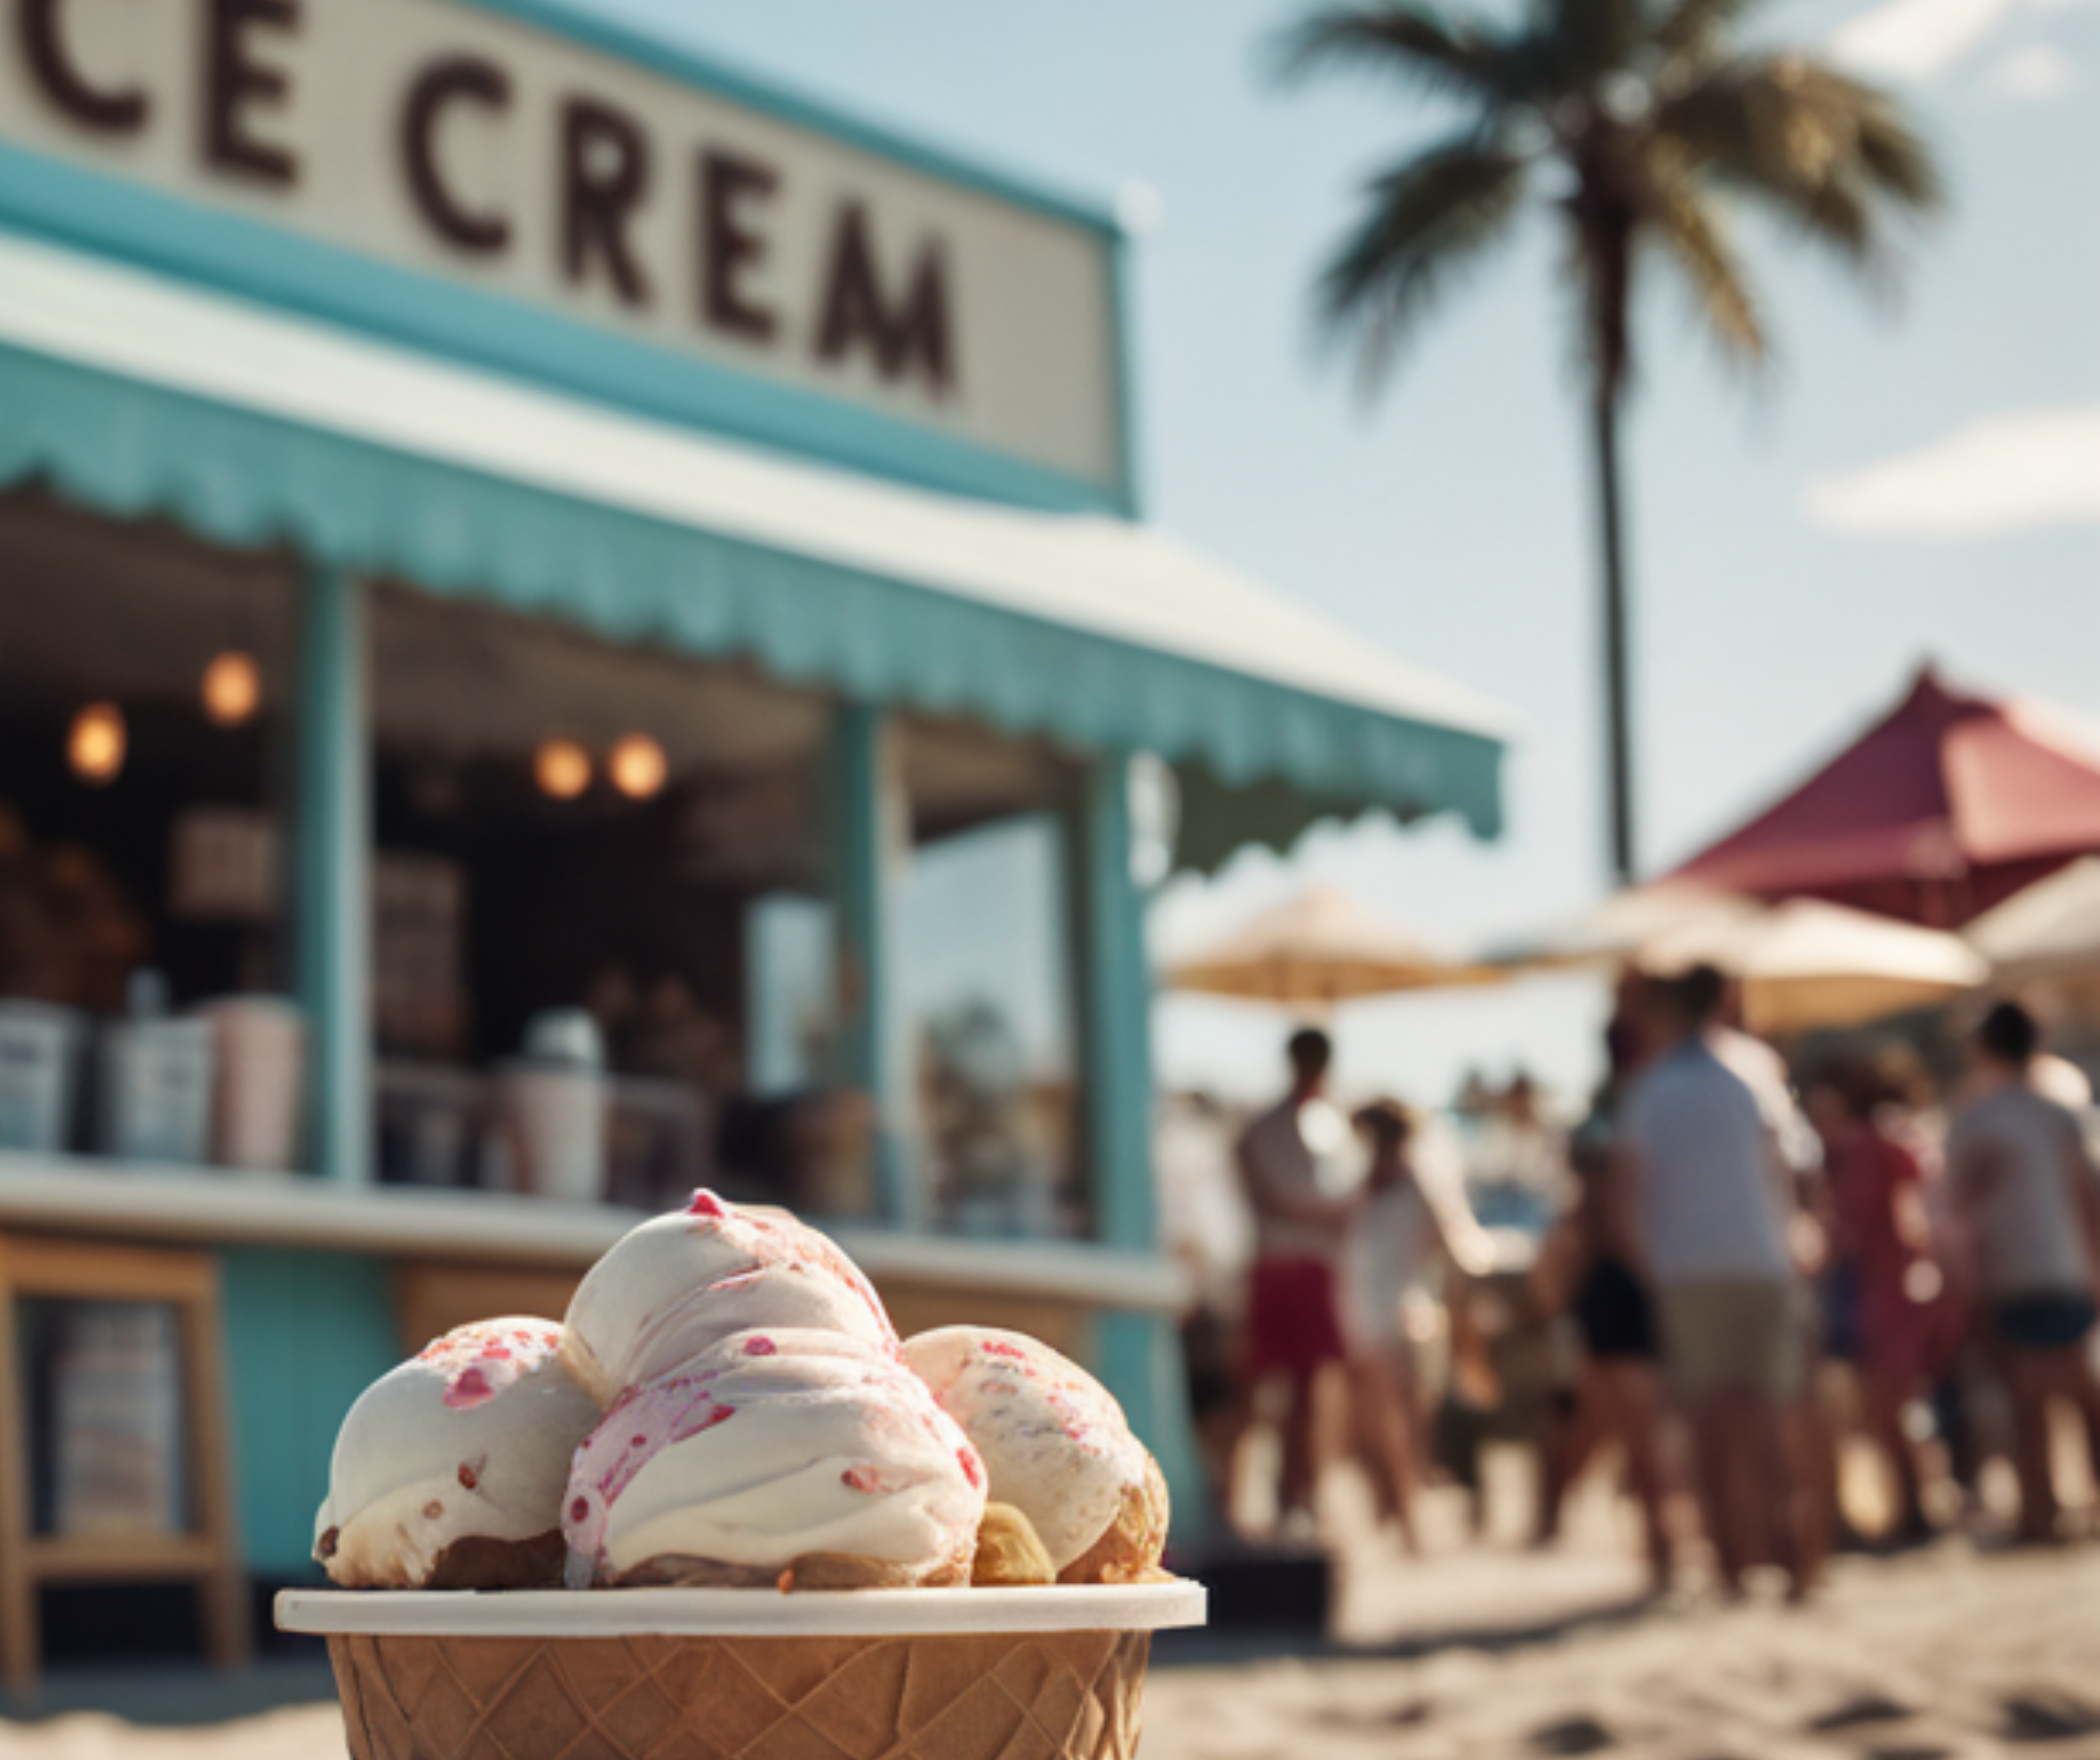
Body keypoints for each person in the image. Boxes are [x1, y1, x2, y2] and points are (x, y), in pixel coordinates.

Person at [1618, 966, 1813, 1599]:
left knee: (1709, 1425)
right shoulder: (1755, 1068)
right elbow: (1792, 1167)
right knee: (1768, 1420)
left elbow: (1628, 1197)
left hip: (1690, 1270)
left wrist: (1654, 1269)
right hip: (1764, 1261)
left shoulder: (1651, 1088)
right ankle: (1793, 1564)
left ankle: (1733, 1567)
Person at [1945, 1002, 2100, 1544]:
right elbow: (2087, 1194)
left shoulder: (1974, 1115)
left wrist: (1967, 1279)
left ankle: (2041, 1511)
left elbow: (1956, 1206)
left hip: (2006, 1268)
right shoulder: (2060, 1106)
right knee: (2082, 1390)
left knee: (2025, 1399)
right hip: (2065, 1263)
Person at [1535, 1019, 1673, 1589]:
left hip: (1609, 1284)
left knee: (1601, 1419)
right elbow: (1600, 1218)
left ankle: (1559, 1521)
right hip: (1625, 1282)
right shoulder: (1631, 1109)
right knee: (1628, 1422)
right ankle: (1659, 1544)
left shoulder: (1612, 1111)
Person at [1805, 1052, 1946, 1545]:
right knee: (1884, 1408)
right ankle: (1911, 1509)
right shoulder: (1872, 1148)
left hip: (1888, 1289)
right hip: (1874, 1289)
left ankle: (1917, 1510)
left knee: (1890, 1406)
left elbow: (1906, 1220)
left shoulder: (1878, 1147)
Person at [1232, 1027, 1355, 1537]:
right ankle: (1256, 1493)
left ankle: (1297, 1492)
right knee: (1266, 1388)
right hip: (1288, 1266)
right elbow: (1283, 1197)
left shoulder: (1325, 1124)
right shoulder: (1281, 1126)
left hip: (1300, 1267)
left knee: (1308, 1393)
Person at [1343, 1098, 1447, 1551]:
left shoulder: (1401, 1187)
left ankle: (1406, 1522)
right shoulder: (1367, 1189)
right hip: (1381, 1316)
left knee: (1394, 1429)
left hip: (1399, 1316)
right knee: (1384, 1430)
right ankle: (1401, 1520)